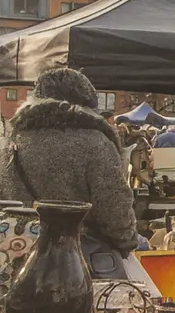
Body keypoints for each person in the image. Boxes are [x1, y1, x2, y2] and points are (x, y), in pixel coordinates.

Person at [0, 67, 137, 278]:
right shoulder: (95, 142)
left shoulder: (11, 142)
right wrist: (127, 241)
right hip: (78, 266)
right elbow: (114, 208)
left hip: (16, 262)